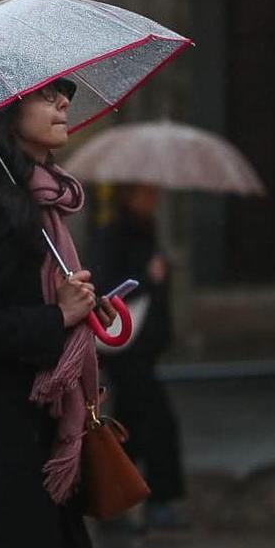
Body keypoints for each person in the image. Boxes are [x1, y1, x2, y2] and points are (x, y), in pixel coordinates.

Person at [0, 78, 117, 548]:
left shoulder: (39, 204)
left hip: (30, 440)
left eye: (65, 92)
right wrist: (57, 317)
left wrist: (77, 308)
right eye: (45, 94)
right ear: (6, 114)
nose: (64, 102)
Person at [89, 183, 187, 530]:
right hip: (126, 348)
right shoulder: (114, 234)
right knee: (157, 423)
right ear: (129, 196)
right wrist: (149, 276)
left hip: (143, 346)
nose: (153, 199)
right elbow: (109, 287)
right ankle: (157, 501)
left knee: (129, 429)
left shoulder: (147, 231)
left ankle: (115, 503)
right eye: (146, 193)